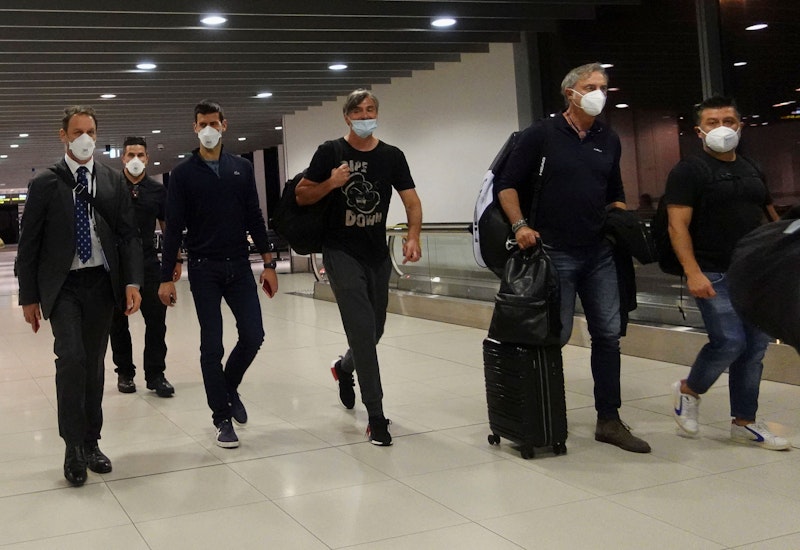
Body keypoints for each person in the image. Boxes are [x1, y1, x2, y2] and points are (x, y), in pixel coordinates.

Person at [494, 62, 651, 453]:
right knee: (554, 335)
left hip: (599, 253)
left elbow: (614, 192)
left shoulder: (608, 138)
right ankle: (545, 417)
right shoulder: (541, 134)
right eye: (590, 86)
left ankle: (609, 420)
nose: (599, 93)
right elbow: (507, 185)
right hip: (552, 253)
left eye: (603, 86)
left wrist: (619, 225)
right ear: (570, 93)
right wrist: (520, 226)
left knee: (608, 335)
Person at [16, 106, 143, 486]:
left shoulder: (111, 180)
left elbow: (128, 234)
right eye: (77, 131)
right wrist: (28, 297)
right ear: (64, 136)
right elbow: (29, 243)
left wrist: (132, 282)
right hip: (64, 286)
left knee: (94, 365)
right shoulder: (45, 183)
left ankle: (91, 442)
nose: (85, 138)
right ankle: (72, 446)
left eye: (90, 131)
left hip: (101, 284)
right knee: (71, 359)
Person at [295, 89, 423, 447]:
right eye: (358, 111)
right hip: (340, 253)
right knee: (363, 331)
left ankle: (343, 367)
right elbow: (302, 194)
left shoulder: (392, 156)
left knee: (375, 329)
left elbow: (412, 202)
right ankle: (376, 417)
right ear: (347, 117)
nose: (365, 116)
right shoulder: (331, 152)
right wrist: (331, 183)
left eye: (370, 110)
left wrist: (413, 237)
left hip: (377, 255)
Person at [665, 96, 789, 450]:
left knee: (755, 348)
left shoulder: (751, 168)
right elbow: (677, 226)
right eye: (713, 122)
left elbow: (769, 216)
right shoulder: (688, 171)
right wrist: (693, 272)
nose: (722, 128)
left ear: (740, 125)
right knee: (730, 342)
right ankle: (688, 390)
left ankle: (744, 422)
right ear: (699, 131)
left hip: (755, 272)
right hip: (713, 270)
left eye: (729, 121)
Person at [157, 100, 278, 449]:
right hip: (203, 267)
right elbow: (173, 227)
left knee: (253, 335)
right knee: (212, 344)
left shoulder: (241, 167)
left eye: (214, 123)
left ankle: (228, 386)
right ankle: (221, 417)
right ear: (195, 128)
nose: (208, 129)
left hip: (239, 264)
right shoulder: (183, 174)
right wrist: (166, 276)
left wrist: (269, 264)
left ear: (225, 125)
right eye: (202, 124)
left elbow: (254, 216)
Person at [110, 136, 179, 397]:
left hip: (149, 261)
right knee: (117, 322)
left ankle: (156, 374)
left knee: (156, 321)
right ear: (123, 158)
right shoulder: (112, 187)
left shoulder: (158, 190)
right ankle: (125, 373)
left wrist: (175, 260)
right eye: (131, 155)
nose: (135, 160)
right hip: (118, 264)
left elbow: (168, 228)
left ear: (147, 158)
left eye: (140, 155)